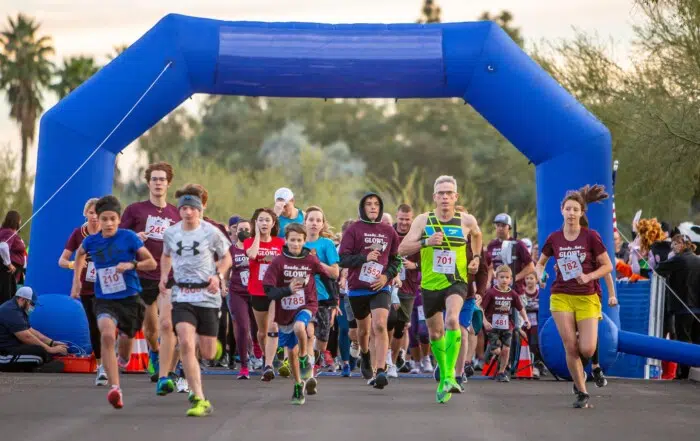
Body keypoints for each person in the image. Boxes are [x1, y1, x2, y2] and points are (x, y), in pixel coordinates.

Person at [398, 176, 483, 403]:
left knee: (453, 321)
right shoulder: (423, 220)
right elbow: (402, 248)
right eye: (441, 193)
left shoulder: (465, 220)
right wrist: (426, 242)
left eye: (449, 193)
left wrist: (476, 257)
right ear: (434, 197)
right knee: (435, 334)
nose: (445, 197)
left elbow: (477, 233)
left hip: (456, 281)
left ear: (456, 197)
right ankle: (446, 377)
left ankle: (452, 375)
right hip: (430, 285)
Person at [71, 195, 157, 409]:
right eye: (104, 219)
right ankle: (115, 389)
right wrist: (76, 282)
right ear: (97, 220)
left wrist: (131, 265)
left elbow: (151, 263)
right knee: (107, 335)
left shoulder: (129, 238)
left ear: (119, 220)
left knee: (125, 343)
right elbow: (80, 255)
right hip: (105, 298)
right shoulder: (91, 241)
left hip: (129, 298)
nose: (108, 223)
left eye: (112, 219)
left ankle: (122, 361)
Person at [535, 184, 614, 409]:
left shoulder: (591, 237)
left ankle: (586, 370)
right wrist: (540, 276)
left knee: (587, 348)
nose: (571, 213)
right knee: (570, 346)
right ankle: (582, 391)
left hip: (586, 296)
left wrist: (589, 277)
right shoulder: (554, 238)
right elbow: (540, 264)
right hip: (561, 296)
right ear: (562, 210)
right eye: (568, 209)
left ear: (581, 213)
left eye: (575, 210)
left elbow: (607, 265)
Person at [161, 185, 232, 417]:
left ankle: (213, 347)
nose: (188, 212)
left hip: (207, 295)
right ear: (179, 210)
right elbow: (166, 254)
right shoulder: (171, 233)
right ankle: (199, 398)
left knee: (209, 352)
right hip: (182, 294)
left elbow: (226, 257)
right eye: (184, 208)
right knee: (185, 342)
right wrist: (164, 275)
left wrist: (218, 276)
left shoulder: (211, 232)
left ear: (200, 210)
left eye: (192, 208)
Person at [119, 162, 180, 382]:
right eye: (154, 179)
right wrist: (135, 239)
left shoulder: (176, 213)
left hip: (168, 276)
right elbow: (119, 237)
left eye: (162, 179)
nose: (158, 183)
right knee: (151, 329)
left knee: (166, 324)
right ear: (148, 183)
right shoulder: (135, 210)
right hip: (142, 275)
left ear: (168, 183)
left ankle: (167, 367)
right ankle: (154, 352)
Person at [338, 192, 402, 389]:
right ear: (362, 207)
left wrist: (386, 276)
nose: (373, 207)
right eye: (369, 204)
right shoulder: (354, 230)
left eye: (376, 204)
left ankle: (381, 370)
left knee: (380, 325)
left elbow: (396, 260)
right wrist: (364, 258)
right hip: (358, 288)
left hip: (380, 286)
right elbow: (343, 259)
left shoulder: (389, 231)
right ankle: (365, 354)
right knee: (363, 331)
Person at [263, 223, 330, 404]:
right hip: (285, 311)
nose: (296, 244)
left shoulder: (310, 259)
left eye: (299, 240)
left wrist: (333, 299)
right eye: (292, 240)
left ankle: (303, 360)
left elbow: (325, 275)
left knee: (302, 327)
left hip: (307, 305)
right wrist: (288, 290)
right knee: (290, 352)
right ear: (286, 240)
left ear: (304, 240)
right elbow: (268, 290)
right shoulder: (278, 262)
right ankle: (298, 384)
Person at [60, 198, 107, 386]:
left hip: (107, 287)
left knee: (107, 324)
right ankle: (101, 366)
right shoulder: (78, 234)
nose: (94, 217)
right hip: (87, 288)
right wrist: (74, 263)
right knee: (94, 327)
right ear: (85, 214)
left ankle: (110, 359)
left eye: (98, 213)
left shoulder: (108, 233)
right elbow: (61, 260)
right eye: (91, 213)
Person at [244, 208, 285, 380]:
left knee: (273, 327)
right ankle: (265, 356)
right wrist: (259, 238)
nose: (264, 223)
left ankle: (268, 365)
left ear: (273, 223)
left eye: (267, 220)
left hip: (275, 290)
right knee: (262, 333)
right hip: (257, 290)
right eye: (260, 220)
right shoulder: (249, 241)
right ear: (256, 223)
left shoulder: (280, 243)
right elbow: (252, 255)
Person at [655, 233, 700, 379]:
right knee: (696, 339)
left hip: (683, 306)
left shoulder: (679, 259)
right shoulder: (697, 259)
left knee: (684, 340)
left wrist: (669, 257)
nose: (673, 247)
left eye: (675, 244)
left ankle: (683, 372)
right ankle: (695, 370)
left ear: (682, 244)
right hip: (697, 307)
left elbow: (659, 269)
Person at [303, 206, 340, 373]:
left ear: (322, 224)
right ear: (305, 222)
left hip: (324, 296)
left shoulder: (327, 244)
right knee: (308, 332)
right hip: (303, 297)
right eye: (311, 219)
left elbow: (335, 272)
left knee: (322, 338)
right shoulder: (298, 242)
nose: (314, 223)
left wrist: (316, 262)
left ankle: (315, 359)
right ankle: (307, 363)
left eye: (318, 220)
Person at [0, 287, 68, 372]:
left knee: (40, 349)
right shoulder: (11, 310)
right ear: (22, 299)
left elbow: (31, 331)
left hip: (10, 349)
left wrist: (52, 343)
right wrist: (50, 349)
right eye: (31, 303)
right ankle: (38, 367)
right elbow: (26, 336)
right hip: (3, 354)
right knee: (39, 352)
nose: (32, 307)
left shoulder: (17, 309)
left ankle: (40, 364)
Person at [481, 265, 530, 382]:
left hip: (507, 325)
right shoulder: (491, 293)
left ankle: (502, 372)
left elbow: (520, 308)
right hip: (492, 326)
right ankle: (490, 352)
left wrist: (526, 319)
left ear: (511, 279)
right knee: (497, 350)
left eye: (507, 277)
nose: (504, 280)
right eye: (501, 277)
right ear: (496, 278)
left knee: (506, 349)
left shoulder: (512, 294)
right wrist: (485, 322)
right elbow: (481, 308)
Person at [226, 218, 254, 379]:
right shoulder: (231, 250)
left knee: (258, 330)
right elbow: (225, 268)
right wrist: (223, 283)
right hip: (237, 291)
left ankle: (259, 352)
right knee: (243, 327)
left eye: (247, 229)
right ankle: (244, 365)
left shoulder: (255, 248)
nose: (243, 231)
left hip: (255, 291)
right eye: (240, 229)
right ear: (236, 231)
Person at [485, 213, 535, 294]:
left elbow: (531, 266)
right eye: (498, 225)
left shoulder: (518, 244)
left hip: (515, 291)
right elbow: (488, 266)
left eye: (503, 225)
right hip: (495, 291)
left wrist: (514, 278)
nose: (500, 228)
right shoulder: (491, 245)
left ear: (509, 227)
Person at [0, 210, 27, 303]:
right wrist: (9, 264)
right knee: (7, 297)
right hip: (8, 271)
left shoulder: (8, 232)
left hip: (15, 271)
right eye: (19, 220)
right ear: (16, 221)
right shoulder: (8, 232)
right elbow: (3, 246)